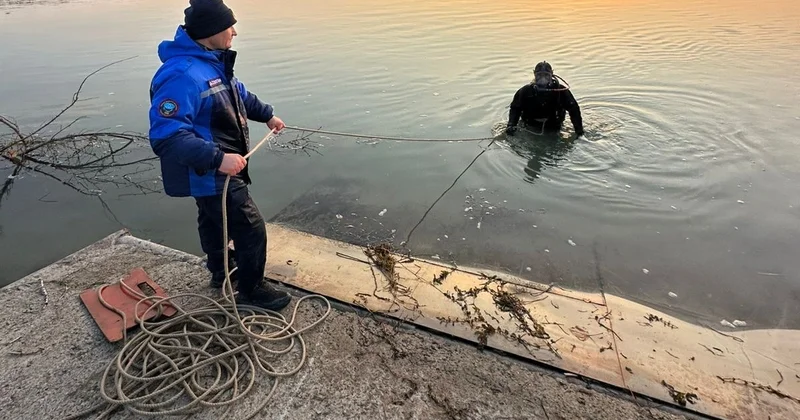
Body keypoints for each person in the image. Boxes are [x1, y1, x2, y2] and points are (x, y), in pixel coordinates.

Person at [148, 0, 291, 311]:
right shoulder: (181, 75)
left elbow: (237, 94)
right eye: (229, 27)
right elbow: (167, 136)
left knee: (214, 221)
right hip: (209, 171)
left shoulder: (212, 62)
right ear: (210, 31)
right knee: (250, 226)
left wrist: (267, 115)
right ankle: (252, 290)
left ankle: (221, 271)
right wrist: (218, 158)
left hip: (221, 169)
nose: (234, 32)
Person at [505, 61, 584, 138]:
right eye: (539, 75)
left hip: (554, 125)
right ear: (534, 74)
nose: (543, 79)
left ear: (552, 74)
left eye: (546, 75)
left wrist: (579, 131)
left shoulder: (561, 91)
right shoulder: (525, 91)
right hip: (530, 124)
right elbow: (515, 109)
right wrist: (511, 125)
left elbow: (574, 110)